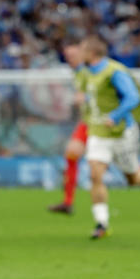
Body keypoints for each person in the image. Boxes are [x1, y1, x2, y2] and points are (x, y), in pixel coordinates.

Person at [80, 36, 140, 239]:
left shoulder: (114, 71)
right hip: (98, 133)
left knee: (133, 178)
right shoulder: (86, 73)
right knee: (95, 175)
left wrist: (115, 116)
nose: (80, 53)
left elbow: (133, 97)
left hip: (121, 133)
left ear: (92, 53)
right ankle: (102, 223)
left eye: (83, 49)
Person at [47, 43, 89, 215]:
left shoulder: (89, 72)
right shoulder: (77, 73)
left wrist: (84, 98)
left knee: (126, 166)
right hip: (87, 122)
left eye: (72, 55)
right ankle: (68, 202)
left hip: (101, 122)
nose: (69, 59)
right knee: (71, 156)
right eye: (67, 56)